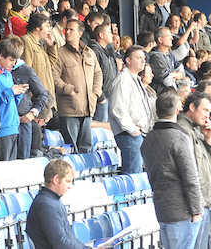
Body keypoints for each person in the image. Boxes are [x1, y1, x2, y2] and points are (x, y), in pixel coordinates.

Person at [141, 91, 205, 249]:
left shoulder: (148, 139)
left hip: (162, 207)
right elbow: (190, 177)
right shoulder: (180, 137)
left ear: (157, 112)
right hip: (182, 210)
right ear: (178, 109)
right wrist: (197, 210)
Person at [53, 19, 103, 153]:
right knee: (70, 148)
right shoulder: (59, 53)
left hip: (88, 108)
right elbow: (53, 77)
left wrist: (95, 93)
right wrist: (67, 89)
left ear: (80, 33)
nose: (67, 32)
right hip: (69, 109)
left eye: (71, 30)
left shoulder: (89, 52)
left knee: (85, 149)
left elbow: (98, 73)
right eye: (66, 29)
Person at [178, 93, 211, 249]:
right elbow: (189, 170)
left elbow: (206, 164)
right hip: (195, 205)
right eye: (205, 110)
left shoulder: (196, 130)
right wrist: (195, 208)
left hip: (203, 202)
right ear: (192, 107)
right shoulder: (183, 130)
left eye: (209, 112)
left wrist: (208, 140)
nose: (207, 115)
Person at [108, 45, 155, 174]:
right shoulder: (123, 79)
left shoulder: (135, 79)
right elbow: (117, 108)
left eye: (143, 58)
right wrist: (132, 129)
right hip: (129, 135)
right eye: (138, 58)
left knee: (137, 174)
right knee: (133, 175)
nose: (142, 61)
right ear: (128, 60)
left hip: (136, 134)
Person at [25, 159, 86, 249]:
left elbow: (69, 238)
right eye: (68, 181)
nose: (69, 186)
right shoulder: (47, 205)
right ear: (56, 179)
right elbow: (61, 243)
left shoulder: (52, 201)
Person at [0, 36, 29, 161]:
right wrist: (10, 92)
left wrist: (18, 93)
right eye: (11, 60)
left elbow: (12, 102)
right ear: (1, 56)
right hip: (2, 127)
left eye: (15, 60)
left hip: (13, 126)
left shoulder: (8, 73)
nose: (13, 64)